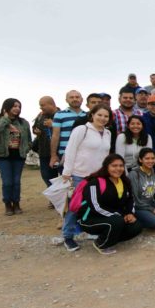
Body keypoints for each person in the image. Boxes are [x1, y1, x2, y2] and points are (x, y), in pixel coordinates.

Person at [61, 104, 113, 251]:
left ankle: (89, 230)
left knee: (93, 205)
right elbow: (70, 150)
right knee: (75, 206)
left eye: (106, 116)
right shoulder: (81, 130)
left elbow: (105, 155)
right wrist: (67, 172)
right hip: (79, 174)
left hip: (98, 176)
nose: (102, 118)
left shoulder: (108, 133)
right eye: (100, 115)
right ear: (92, 115)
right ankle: (68, 236)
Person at [77, 154, 143, 255]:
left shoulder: (124, 181)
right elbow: (95, 206)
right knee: (117, 221)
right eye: (114, 166)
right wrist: (118, 215)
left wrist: (130, 213)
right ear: (106, 167)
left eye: (121, 166)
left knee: (136, 226)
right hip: (90, 218)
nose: (118, 168)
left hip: (113, 217)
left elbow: (130, 199)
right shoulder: (95, 182)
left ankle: (109, 237)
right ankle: (100, 243)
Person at [0, 98, 32, 216]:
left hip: (19, 156)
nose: (17, 108)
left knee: (16, 181)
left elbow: (29, 138)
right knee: (7, 182)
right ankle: (8, 204)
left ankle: (17, 203)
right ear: (6, 107)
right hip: (3, 156)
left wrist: (27, 148)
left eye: (19, 106)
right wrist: (5, 118)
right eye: (14, 106)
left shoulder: (23, 122)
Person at [129, 148, 155, 229]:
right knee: (154, 221)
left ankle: (150, 217)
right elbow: (135, 199)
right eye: (147, 158)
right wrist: (152, 209)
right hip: (138, 207)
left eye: (153, 158)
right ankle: (138, 222)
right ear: (140, 159)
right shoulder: (134, 174)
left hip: (151, 202)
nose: (150, 161)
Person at [50, 90, 85, 169]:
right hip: (65, 153)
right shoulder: (59, 115)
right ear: (66, 100)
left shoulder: (87, 115)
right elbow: (55, 136)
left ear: (82, 99)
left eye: (77, 97)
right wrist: (53, 155)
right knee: (66, 179)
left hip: (84, 154)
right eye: (71, 97)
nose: (75, 99)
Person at [32, 96, 59, 187]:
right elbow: (34, 127)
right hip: (44, 152)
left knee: (63, 178)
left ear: (51, 104)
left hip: (58, 152)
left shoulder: (61, 115)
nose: (41, 107)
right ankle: (54, 200)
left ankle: (64, 200)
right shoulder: (41, 116)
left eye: (43, 105)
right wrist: (36, 131)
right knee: (47, 177)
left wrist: (53, 125)